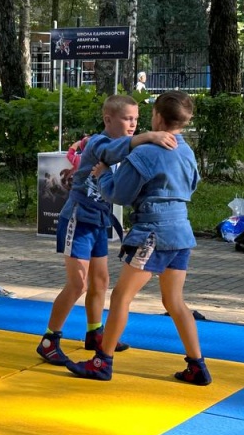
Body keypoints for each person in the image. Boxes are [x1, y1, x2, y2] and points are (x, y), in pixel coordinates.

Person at [66, 90, 210, 385]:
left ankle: (101, 362)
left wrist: (102, 174)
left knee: (121, 296)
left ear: (157, 116)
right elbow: (192, 185)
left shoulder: (144, 152)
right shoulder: (186, 150)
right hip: (181, 232)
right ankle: (197, 365)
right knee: (174, 301)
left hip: (154, 233)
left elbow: (120, 193)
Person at [37, 95, 176, 366]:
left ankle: (94, 332)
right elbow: (114, 152)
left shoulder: (129, 148)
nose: (133, 124)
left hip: (99, 221)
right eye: (127, 119)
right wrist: (149, 136)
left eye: (136, 119)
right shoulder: (99, 144)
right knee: (78, 284)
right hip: (78, 219)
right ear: (108, 119)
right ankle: (49, 340)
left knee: (101, 282)